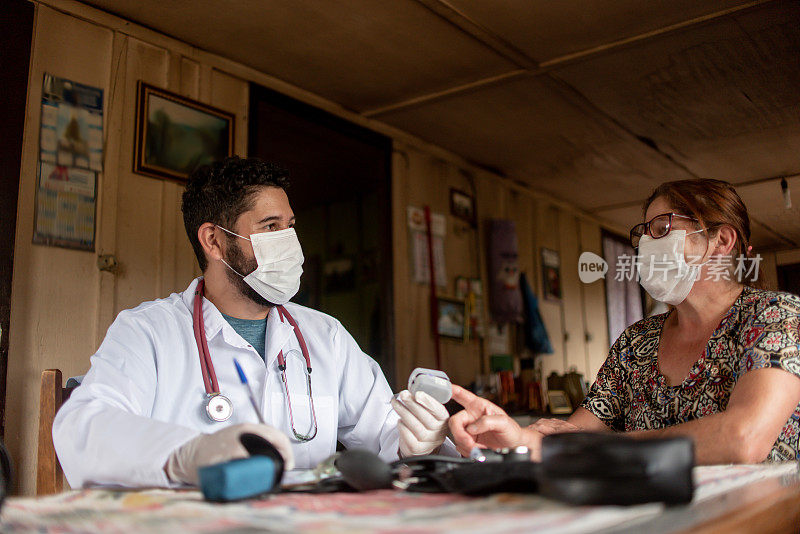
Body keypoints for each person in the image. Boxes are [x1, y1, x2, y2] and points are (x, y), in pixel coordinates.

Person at [53, 156, 451, 488]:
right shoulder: (148, 332)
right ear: (213, 241)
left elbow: (385, 434)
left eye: (290, 226)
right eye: (270, 227)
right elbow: (82, 429)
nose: (290, 242)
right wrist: (183, 454)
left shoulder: (325, 336)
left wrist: (416, 439)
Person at [450, 179, 800, 464]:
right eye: (643, 234)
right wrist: (511, 436)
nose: (647, 244)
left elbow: (742, 439)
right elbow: (568, 434)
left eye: (662, 228)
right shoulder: (638, 341)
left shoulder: (775, 316)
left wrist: (595, 445)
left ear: (721, 240)